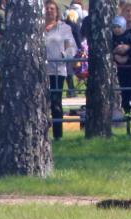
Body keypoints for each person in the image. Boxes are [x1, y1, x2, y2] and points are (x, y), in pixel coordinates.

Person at [43, 1, 76, 140]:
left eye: (52, 9)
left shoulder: (64, 28)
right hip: (40, 71)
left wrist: (64, 55)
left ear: (57, 11)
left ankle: (58, 135)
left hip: (57, 70)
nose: (50, 11)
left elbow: (72, 48)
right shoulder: (37, 27)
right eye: (47, 8)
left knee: (56, 102)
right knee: (40, 103)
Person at [111, 16, 131, 134]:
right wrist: (115, 56)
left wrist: (128, 55)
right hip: (121, 70)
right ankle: (127, 111)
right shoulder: (111, 38)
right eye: (115, 27)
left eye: (119, 27)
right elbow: (109, 49)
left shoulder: (129, 37)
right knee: (124, 92)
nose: (117, 30)